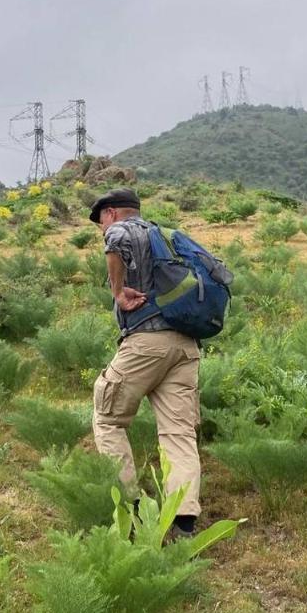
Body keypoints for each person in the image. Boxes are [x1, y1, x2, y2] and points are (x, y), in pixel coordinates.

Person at [89, 187, 203, 537]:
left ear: (110, 213)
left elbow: (115, 241)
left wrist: (118, 292)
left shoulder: (124, 229)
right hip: (186, 346)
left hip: (145, 342)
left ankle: (132, 509)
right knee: (179, 432)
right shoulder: (165, 235)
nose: (101, 228)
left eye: (100, 221)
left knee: (108, 417)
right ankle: (183, 522)